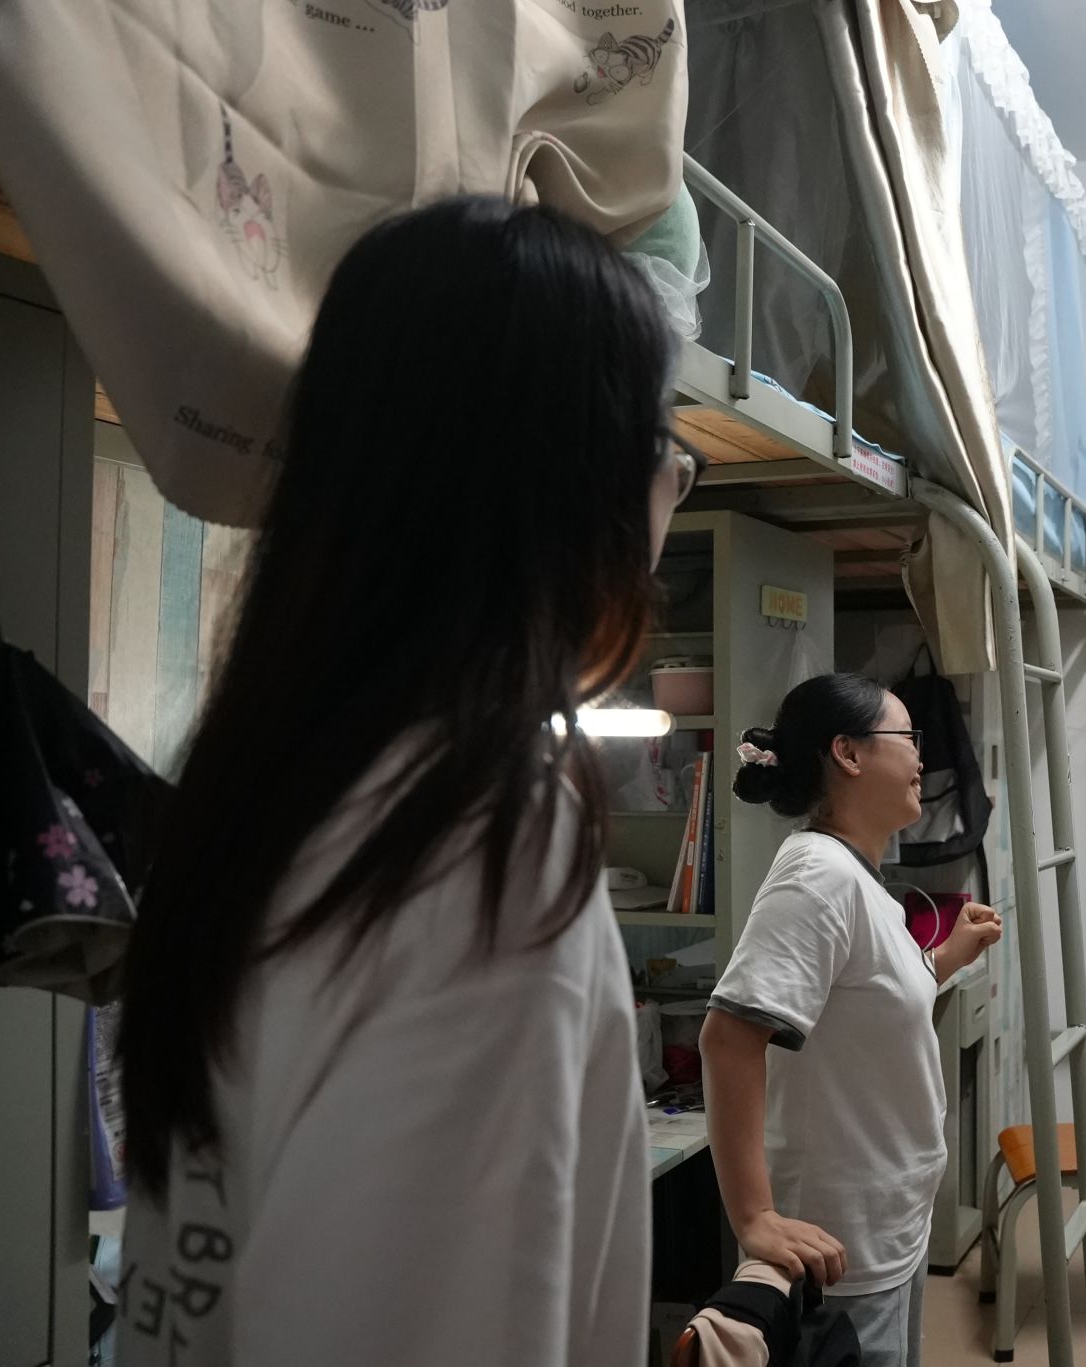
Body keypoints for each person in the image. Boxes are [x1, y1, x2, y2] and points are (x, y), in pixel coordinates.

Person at [117, 197, 695, 1367]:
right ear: (567, 487)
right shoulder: (481, 842)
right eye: (663, 454)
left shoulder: (275, 776)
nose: (673, 486)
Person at [701, 673, 1003, 1367]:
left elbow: (868, 1006)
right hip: (840, 1243)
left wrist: (946, 958)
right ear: (849, 753)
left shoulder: (858, 877)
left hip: (888, 1226)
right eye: (908, 736)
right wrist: (755, 1216)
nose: (922, 757)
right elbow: (729, 1037)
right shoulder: (818, 875)